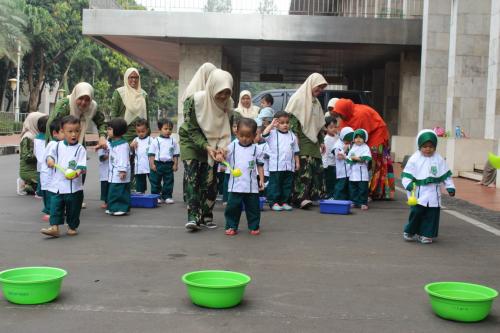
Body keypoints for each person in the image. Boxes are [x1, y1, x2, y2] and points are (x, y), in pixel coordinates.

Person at [179, 69, 233, 231]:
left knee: (210, 181)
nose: (223, 97)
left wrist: (222, 149)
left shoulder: (229, 104)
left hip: (214, 144)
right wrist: (206, 146)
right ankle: (193, 217)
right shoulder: (195, 101)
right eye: (220, 93)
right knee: (192, 178)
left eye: (227, 93)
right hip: (191, 141)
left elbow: (226, 130)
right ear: (212, 88)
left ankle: (206, 215)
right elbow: (191, 129)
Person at [330, 98, 394, 200]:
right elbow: (344, 134)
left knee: (373, 162)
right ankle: (363, 191)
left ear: (345, 110)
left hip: (377, 134)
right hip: (364, 136)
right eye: (339, 114)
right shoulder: (346, 116)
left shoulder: (360, 115)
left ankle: (373, 192)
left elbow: (359, 135)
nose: (340, 116)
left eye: (340, 114)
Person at [402, 130, 455, 244]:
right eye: (425, 146)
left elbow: (446, 175)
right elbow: (406, 175)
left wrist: (450, 187)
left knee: (432, 215)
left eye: (431, 147)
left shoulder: (439, 159)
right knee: (416, 213)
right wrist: (408, 184)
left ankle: (426, 234)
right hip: (419, 192)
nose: (428, 149)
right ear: (420, 146)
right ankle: (410, 230)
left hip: (434, 193)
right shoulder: (414, 159)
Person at [286, 73, 328, 209]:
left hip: (314, 141)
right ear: (311, 83)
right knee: (304, 170)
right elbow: (292, 120)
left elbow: (318, 124)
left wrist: (321, 140)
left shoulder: (316, 102)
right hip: (301, 140)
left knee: (316, 169)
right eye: (318, 86)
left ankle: (310, 196)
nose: (320, 90)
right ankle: (300, 198)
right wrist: (295, 136)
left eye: (322, 88)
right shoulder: (298, 99)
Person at [40, 115, 87, 237]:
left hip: (74, 188)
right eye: (70, 131)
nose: (73, 134)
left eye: (76, 131)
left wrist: (76, 173)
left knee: (73, 210)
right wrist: (50, 160)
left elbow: (82, 166)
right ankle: (54, 227)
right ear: (62, 131)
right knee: (55, 207)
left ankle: (72, 226)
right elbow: (49, 156)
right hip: (57, 185)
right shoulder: (56, 145)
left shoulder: (80, 149)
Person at [180, 63, 217, 203]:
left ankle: (202, 208)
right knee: (192, 172)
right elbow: (190, 125)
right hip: (191, 137)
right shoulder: (192, 95)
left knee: (206, 177)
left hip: (209, 139)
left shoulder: (216, 95)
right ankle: (192, 206)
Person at [223, 118, 264, 236]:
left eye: (248, 136)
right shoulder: (232, 146)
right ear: (236, 133)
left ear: (254, 135)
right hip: (235, 185)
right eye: (241, 135)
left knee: (253, 208)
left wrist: (261, 179)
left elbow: (260, 165)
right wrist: (221, 156)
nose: (244, 139)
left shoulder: (257, 149)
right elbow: (223, 154)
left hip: (251, 186)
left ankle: (254, 226)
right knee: (233, 208)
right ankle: (231, 226)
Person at [46, 82, 107, 147]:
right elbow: (54, 125)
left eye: (87, 100)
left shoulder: (93, 107)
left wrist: (102, 136)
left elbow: (102, 123)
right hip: (59, 142)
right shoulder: (65, 105)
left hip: (79, 141)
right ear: (75, 96)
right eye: (80, 98)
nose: (83, 102)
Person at [262, 111, 300, 211]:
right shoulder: (272, 134)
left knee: (287, 185)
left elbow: (296, 151)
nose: (285, 125)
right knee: (275, 185)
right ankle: (273, 202)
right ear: (277, 123)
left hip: (289, 166)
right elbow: (264, 134)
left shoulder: (292, 136)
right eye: (282, 123)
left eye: (287, 122)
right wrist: (271, 125)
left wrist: (297, 162)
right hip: (276, 166)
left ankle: (284, 202)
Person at [111, 68, 150, 143]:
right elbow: (114, 113)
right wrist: (113, 132)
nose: (134, 80)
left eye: (136, 77)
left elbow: (147, 116)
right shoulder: (119, 93)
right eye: (131, 77)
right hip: (124, 134)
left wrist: (148, 133)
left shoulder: (144, 94)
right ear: (126, 78)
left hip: (141, 134)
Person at [148, 118, 179, 204]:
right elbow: (151, 154)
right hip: (157, 163)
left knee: (169, 181)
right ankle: (156, 196)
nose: (168, 131)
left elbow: (175, 154)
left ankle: (167, 196)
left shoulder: (174, 141)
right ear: (159, 129)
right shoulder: (156, 141)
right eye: (165, 129)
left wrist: (175, 164)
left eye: (170, 129)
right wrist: (152, 164)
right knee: (155, 181)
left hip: (169, 164)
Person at [40, 119, 64, 222]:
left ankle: (55, 210)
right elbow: (49, 159)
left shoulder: (60, 144)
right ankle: (49, 211)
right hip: (49, 175)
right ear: (55, 133)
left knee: (55, 193)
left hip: (53, 175)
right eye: (64, 132)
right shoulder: (53, 144)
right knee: (50, 194)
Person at [105, 118, 131, 216]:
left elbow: (123, 159)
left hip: (119, 172)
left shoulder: (123, 145)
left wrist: (122, 171)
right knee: (112, 190)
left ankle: (121, 207)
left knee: (119, 191)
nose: (108, 131)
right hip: (113, 172)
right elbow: (107, 145)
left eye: (110, 129)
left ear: (117, 130)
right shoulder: (112, 141)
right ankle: (112, 207)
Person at [18, 112, 46, 195]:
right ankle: (25, 184)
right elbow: (27, 157)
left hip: (36, 168)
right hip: (28, 170)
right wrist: (41, 155)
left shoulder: (38, 135)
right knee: (43, 186)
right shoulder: (28, 137)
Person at [347, 129, 372, 210]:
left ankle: (363, 203)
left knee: (362, 189)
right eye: (356, 137)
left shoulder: (366, 147)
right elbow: (349, 158)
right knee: (353, 188)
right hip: (353, 172)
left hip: (362, 172)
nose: (358, 139)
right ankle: (354, 201)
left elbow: (367, 158)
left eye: (360, 137)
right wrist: (350, 159)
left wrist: (356, 158)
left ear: (364, 139)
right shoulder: (352, 147)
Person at [130, 118, 151, 194]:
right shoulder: (135, 140)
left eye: (143, 131)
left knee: (154, 180)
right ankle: (140, 193)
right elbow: (131, 152)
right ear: (136, 131)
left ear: (147, 130)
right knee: (140, 182)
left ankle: (157, 193)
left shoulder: (151, 140)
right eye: (138, 132)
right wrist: (131, 146)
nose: (141, 133)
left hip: (149, 165)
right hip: (139, 166)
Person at [333, 127, 354, 200]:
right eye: (346, 140)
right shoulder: (337, 145)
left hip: (349, 170)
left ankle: (348, 199)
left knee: (349, 186)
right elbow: (338, 156)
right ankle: (337, 199)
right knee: (340, 186)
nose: (348, 142)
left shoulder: (350, 144)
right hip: (341, 170)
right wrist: (344, 150)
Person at [322, 116, 339, 199]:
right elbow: (325, 153)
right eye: (331, 127)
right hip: (329, 164)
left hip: (336, 164)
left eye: (335, 127)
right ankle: (330, 195)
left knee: (335, 180)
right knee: (330, 181)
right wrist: (325, 165)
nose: (334, 129)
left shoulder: (337, 137)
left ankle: (334, 195)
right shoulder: (326, 139)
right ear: (326, 128)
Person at [34, 115, 49, 198]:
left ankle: (40, 192)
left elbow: (35, 151)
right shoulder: (46, 138)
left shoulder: (37, 137)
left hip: (40, 162)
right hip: (46, 161)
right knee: (43, 177)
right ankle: (40, 192)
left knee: (40, 176)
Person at [97, 140, 109, 209]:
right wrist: (110, 154)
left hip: (112, 172)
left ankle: (110, 201)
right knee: (105, 188)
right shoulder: (101, 147)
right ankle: (106, 202)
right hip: (104, 173)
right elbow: (101, 158)